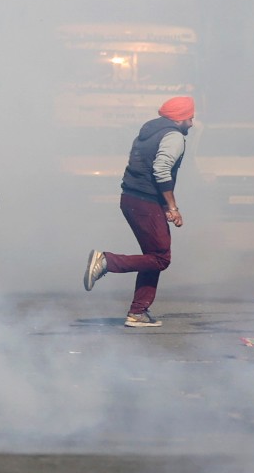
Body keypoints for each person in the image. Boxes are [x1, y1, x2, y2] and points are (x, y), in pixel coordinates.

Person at [83, 96, 193, 327]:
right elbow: (161, 170)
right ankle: (107, 261)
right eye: (189, 118)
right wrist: (173, 206)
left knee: (151, 257)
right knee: (160, 258)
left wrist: (164, 206)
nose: (191, 123)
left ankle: (138, 312)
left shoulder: (149, 132)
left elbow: (144, 168)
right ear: (179, 118)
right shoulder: (173, 136)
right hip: (145, 201)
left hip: (132, 198)